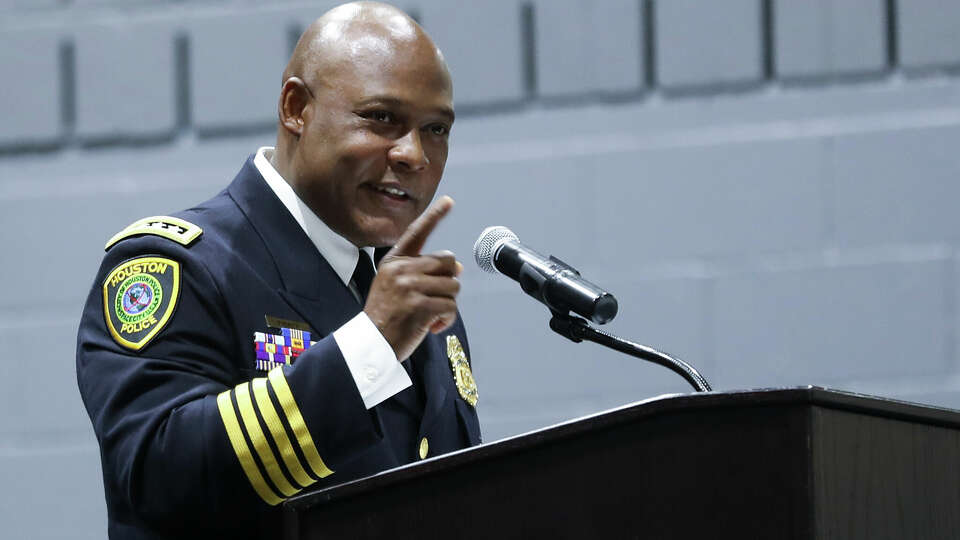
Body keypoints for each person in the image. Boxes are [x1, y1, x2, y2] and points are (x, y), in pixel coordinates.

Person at [75, 3, 480, 538]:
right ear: (296, 108)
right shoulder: (177, 266)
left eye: (436, 129)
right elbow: (154, 475)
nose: (414, 154)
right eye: (382, 117)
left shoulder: (408, 296)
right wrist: (369, 344)